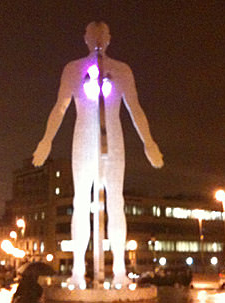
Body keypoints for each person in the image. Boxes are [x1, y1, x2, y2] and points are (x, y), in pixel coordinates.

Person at [32, 21, 163, 287]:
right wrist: (46, 140)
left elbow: (135, 109)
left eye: (102, 35)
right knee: (81, 201)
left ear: (110, 39)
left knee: (116, 201)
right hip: (83, 138)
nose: (98, 40)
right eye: (93, 35)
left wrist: (149, 142)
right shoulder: (73, 69)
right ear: (85, 38)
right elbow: (60, 108)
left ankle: (119, 271)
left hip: (113, 139)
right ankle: (78, 271)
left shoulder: (122, 70)